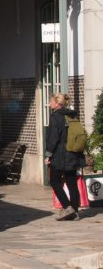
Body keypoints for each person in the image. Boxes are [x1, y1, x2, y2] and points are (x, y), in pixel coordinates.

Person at [44, 92, 86, 221]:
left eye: (51, 101)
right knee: (71, 182)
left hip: (60, 154)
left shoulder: (56, 116)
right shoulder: (72, 114)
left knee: (54, 181)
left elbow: (53, 138)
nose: (49, 103)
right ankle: (75, 212)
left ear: (57, 103)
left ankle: (68, 207)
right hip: (73, 152)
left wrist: (48, 155)